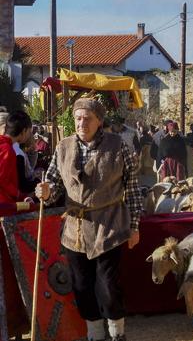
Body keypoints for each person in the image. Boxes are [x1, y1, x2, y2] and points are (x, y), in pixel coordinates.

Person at [35, 97, 142, 341]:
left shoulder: (119, 146)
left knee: (107, 286)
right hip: (75, 229)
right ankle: (94, 335)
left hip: (109, 226)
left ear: (99, 122)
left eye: (88, 118)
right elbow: (54, 186)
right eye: (78, 118)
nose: (82, 123)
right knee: (81, 285)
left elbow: (134, 188)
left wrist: (134, 227)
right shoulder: (63, 147)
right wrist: (46, 191)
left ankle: (117, 334)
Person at [0, 111, 35, 203]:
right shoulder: (8, 150)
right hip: (4, 204)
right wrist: (20, 195)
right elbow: (2, 180)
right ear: (23, 131)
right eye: (29, 132)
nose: (29, 135)